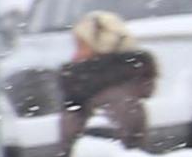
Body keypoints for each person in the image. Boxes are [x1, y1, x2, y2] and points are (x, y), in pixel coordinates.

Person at [58, 9, 159, 149]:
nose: (75, 55)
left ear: (101, 46)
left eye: (82, 46)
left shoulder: (115, 101)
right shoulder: (83, 95)